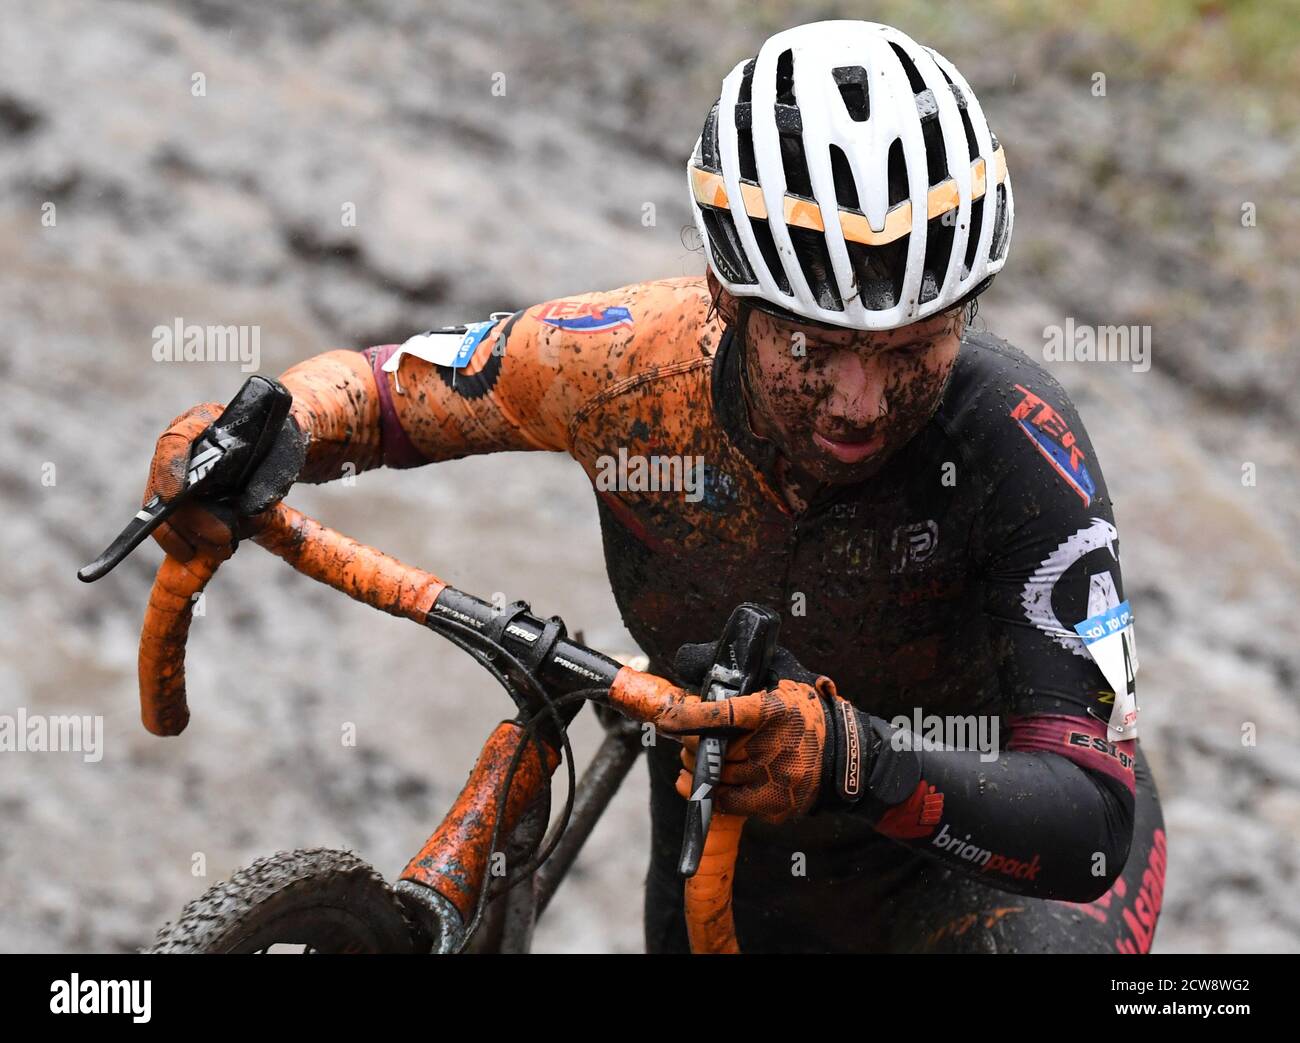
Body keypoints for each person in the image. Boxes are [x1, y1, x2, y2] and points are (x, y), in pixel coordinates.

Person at [142, 21, 1165, 953]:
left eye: (915, 347)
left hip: (992, 853)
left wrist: (858, 759)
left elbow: (1092, 821)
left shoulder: (1018, 443)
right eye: (815, 345)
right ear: (727, 293)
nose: (861, 398)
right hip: (732, 832)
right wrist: (253, 432)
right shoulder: (625, 363)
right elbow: (379, 396)